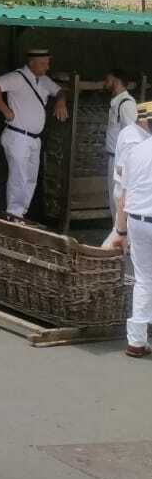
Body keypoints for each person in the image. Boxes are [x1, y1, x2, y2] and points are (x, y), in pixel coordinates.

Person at [0, 47, 68, 219]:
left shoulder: (44, 80)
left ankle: (20, 214)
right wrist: (6, 111)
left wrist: (60, 101)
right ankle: (13, 216)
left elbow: (60, 91)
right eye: (44, 64)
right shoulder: (17, 77)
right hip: (18, 136)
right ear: (32, 63)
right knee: (19, 177)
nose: (47, 67)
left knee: (30, 179)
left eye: (48, 63)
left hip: (34, 139)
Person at [106, 101, 152, 358]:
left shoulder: (136, 152)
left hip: (137, 220)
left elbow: (124, 196)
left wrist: (121, 233)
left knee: (144, 279)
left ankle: (136, 340)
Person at [103, 68, 139, 220]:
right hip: (114, 157)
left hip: (121, 161)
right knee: (115, 199)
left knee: (119, 200)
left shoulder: (126, 104)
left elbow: (134, 136)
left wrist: (124, 164)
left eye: (108, 80)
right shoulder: (117, 103)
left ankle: (121, 237)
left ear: (116, 81)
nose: (105, 83)